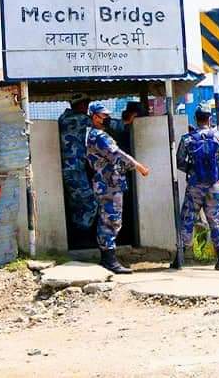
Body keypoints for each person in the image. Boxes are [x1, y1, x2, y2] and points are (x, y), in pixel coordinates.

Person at [85, 102, 150, 274]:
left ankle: (107, 258)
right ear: (95, 117)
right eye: (104, 116)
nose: (107, 118)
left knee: (109, 219)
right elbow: (117, 154)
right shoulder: (99, 136)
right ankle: (109, 260)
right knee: (110, 220)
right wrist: (138, 166)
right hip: (108, 184)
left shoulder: (98, 134)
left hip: (108, 182)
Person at [172, 109, 219, 271]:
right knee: (215, 220)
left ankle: (179, 259)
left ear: (196, 118)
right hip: (214, 185)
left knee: (187, 219)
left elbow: (179, 161)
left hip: (195, 185)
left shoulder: (187, 139)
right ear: (209, 118)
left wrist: (192, 170)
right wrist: (217, 169)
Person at [58, 94, 98, 231]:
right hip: (73, 170)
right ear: (79, 105)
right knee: (90, 203)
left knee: (77, 205)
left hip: (71, 169)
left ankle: (77, 233)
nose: (87, 107)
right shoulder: (78, 119)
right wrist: (127, 122)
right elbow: (102, 123)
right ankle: (82, 234)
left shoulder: (64, 118)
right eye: (85, 104)